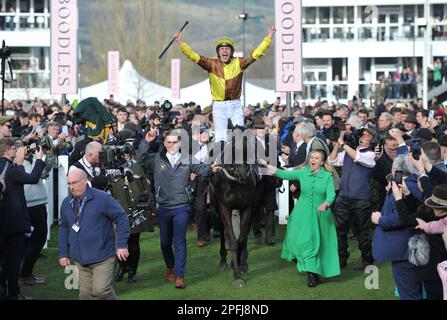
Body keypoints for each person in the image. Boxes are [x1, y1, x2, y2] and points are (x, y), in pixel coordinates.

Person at [174, 25, 276, 160]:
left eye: (227, 49)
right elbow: (192, 56)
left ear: (231, 51)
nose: (224, 51)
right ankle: (201, 163)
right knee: (220, 141)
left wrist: (269, 37)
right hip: (219, 106)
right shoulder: (211, 64)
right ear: (218, 51)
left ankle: (254, 168)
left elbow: (257, 53)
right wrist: (181, 42)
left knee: (240, 137)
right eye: (222, 49)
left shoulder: (239, 63)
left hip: (235, 105)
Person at [137, 129, 211, 289]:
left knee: (179, 241)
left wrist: (211, 169)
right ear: (164, 143)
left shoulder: (188, 159)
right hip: (163, 207)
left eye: (174, 142)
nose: (171, 145)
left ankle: (180, 275)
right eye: (168, 142)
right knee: (164, 243)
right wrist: (146, 142)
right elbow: (139, 161)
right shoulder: (156, 159)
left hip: (181, 207)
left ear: (180, 143)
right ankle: (170, 266)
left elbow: (204, 170)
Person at [261, 150, 340, 288]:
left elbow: (331, 194)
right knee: (306, 241)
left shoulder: (327, 176)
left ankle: (315, 272)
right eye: (311, 157)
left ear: (322, 162)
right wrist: (267, 165)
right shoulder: (303, 172)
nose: (313, 160)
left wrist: (326, 203)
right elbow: (284, 174)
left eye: (316, 158)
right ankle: (310, 273)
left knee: (319, 244)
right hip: (302, 214)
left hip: (321, 214)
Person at [58, 168, 130, 300]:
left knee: (101, 290)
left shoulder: (102, 198)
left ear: (85, 181)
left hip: (103, 256)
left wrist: (122, 245)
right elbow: (64, 228)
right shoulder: (66, 203)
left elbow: (122, 217)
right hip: (80, 259)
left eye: (75, 183)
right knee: (86, 296)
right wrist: (63, 253)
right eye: (69, 184)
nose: (72, 187)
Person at [0, 138, 45, 300]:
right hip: (14, 222)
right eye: (14, 148)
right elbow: (33, 178)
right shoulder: (11, 169)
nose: (17, 150)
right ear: (7, 151)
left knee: (4, 260)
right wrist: (39, 159)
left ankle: (4, 291)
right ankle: (13, 293)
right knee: (13, 260)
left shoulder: (7, 167)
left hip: (4, 222)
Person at [329, 128, 378, 270]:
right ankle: (341, 258)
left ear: (372, 140)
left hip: (361, 199)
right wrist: (338, 145)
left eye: (368, 135)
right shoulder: (348, 150)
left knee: (363, 232)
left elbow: (357, 157)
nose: (364, 137)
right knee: (340, 230)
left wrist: (343, 144)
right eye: (362, 134)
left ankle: (367, 260)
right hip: (343, 197)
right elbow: (332, 161)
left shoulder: (371, 154)